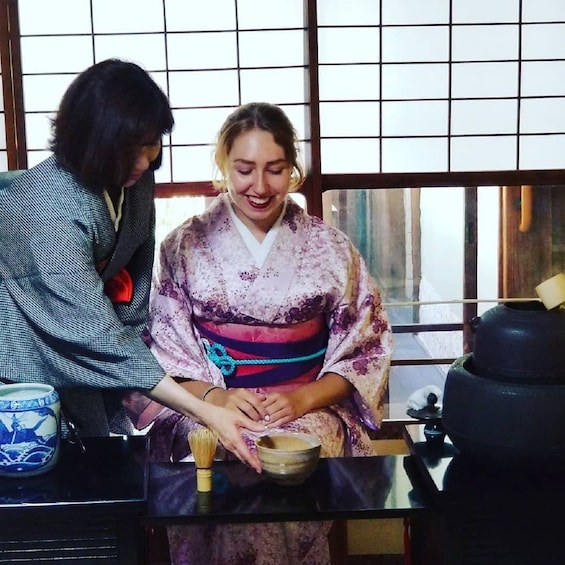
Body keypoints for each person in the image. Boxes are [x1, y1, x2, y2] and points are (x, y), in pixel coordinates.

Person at [136, 101, 394, 564]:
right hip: (206, 402)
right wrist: (215, 399)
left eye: (275, 170)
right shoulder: (183, 245)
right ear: (223, 166)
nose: (260, 186)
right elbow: (165, 352)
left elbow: (364, 350)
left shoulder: (329, 248)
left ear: (292, 169)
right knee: (218, 450)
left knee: (286, 460)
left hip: (305, 404)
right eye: (244, 169)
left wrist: (302, 398)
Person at [0, 59, 263, 471]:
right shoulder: (44, 207)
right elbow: (93, 332)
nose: (143, 162)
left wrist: (127, 349)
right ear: (90, 140)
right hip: (18, 357)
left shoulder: (133, 182)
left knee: (104, 482)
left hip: (92, 341)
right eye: (128, 148)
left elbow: (136, 274)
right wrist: (206, 410)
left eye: (151, 143)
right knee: (38, 495)